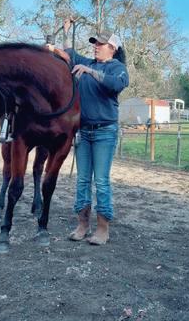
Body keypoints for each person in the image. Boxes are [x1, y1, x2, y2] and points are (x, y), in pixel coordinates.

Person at [46, 20, 129, 245]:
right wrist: (64, 34)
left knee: (101, 181)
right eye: (94, 43)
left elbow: (116, 85)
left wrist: (90, 71)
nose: (96, 46)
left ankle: (103, 229)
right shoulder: (84, 62)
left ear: (113, 48)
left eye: (101, 44)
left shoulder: (116, 68)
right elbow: (68, 53)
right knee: (83, 180)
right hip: (83, 132)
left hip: (105, 132)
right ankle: (83, 224)